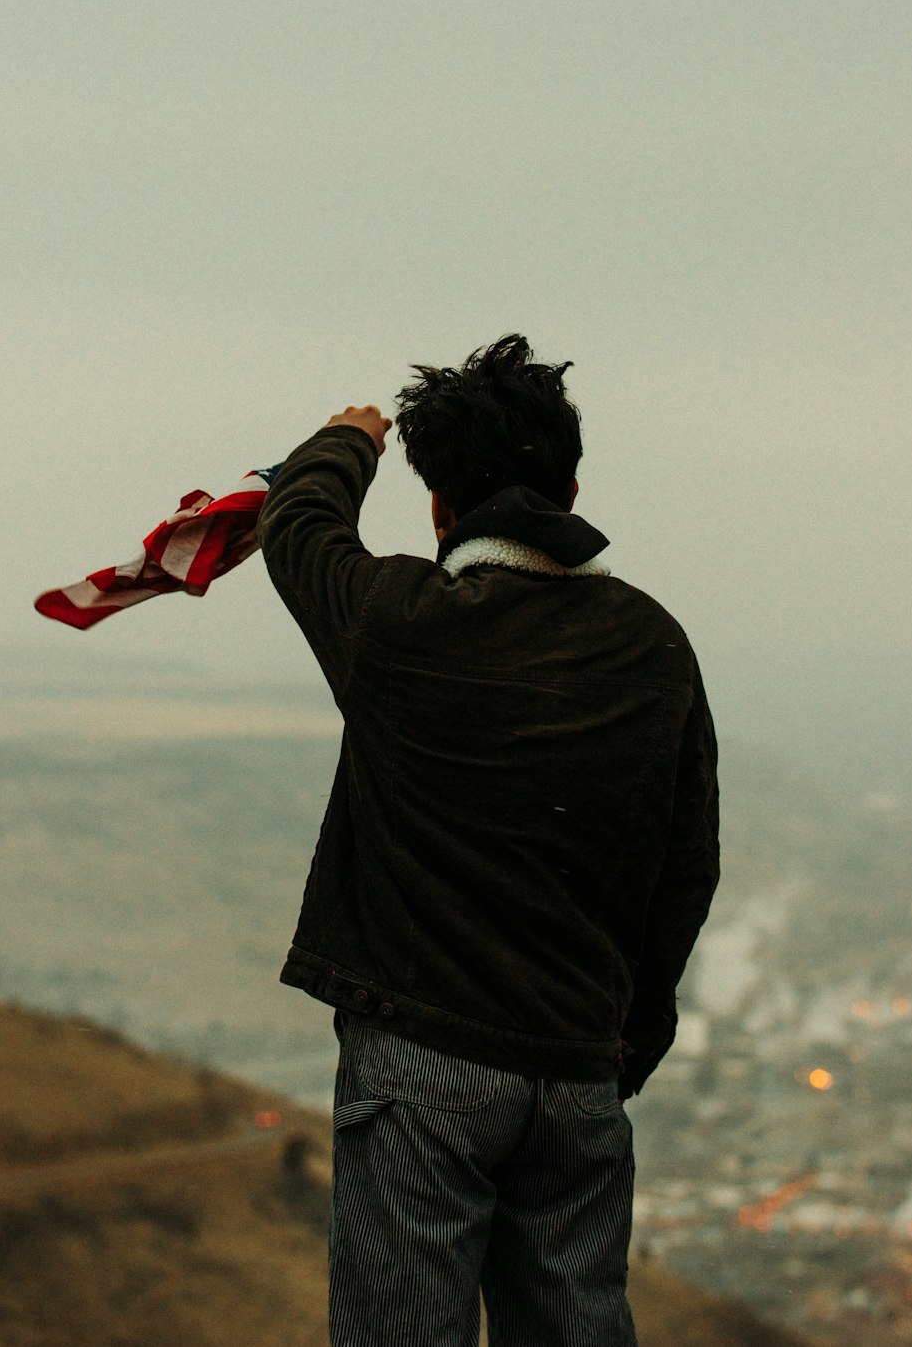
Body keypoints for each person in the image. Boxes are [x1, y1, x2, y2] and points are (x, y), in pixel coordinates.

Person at [256, 334, 719, 1347]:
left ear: (438, 507)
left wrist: (347, 439)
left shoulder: (398, 622)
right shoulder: (652, 644)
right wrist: (615, 1045)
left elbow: (297, 523)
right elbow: (687, 871)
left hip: (420, 1066)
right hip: (577, 1064)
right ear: (572, 484)